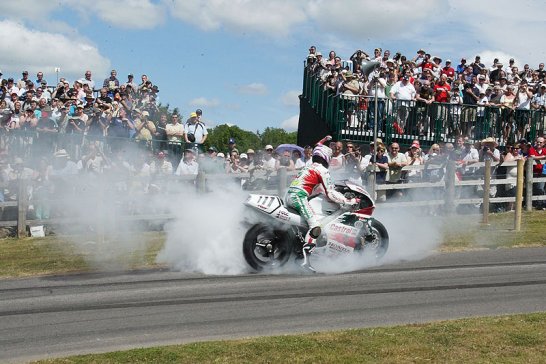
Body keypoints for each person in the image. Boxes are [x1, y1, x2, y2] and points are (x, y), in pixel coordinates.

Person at [284, 136, 356, 272]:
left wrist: (324, 139)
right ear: (326, 157)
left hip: (289, 195)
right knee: (315, 226)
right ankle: (305, 262)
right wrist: (347, 201)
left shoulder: (309, 166)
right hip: (298, 197)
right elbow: (330, 193)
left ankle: (297, 250)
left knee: (304, 225)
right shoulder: (322, 170)